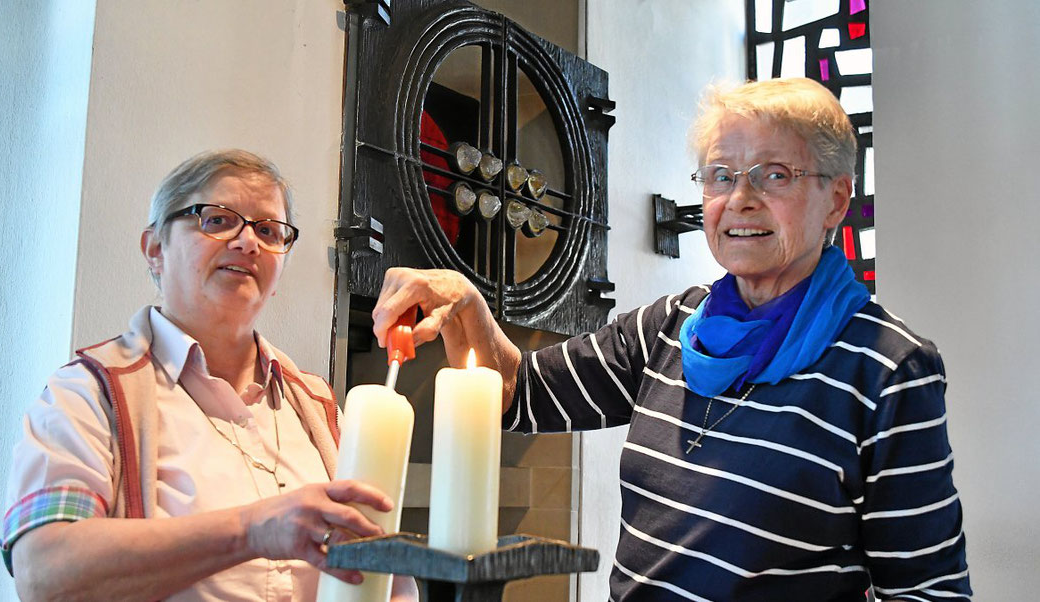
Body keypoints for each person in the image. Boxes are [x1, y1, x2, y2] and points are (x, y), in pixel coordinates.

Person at [372, 79, 971, 601]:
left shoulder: (889, 367)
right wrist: (467, 304)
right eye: (721, 175)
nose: (740, 198)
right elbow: (515, 394)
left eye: (775, 175)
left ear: (835, 200)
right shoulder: (672, 324)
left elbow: (928, 592)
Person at [2, 150, 417, 601]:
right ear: (155, 249)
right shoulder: (88, 395)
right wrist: (251, 530)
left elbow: (378, 575)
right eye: (217, 220)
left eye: (268, 231)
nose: (247, 242)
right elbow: (44, 574)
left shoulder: (317, 405)